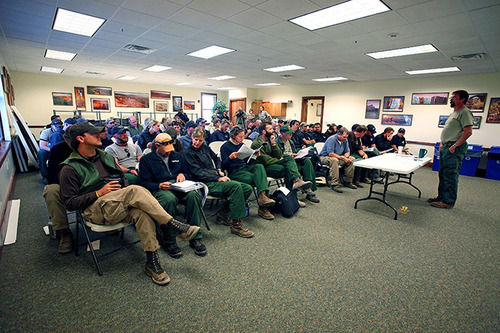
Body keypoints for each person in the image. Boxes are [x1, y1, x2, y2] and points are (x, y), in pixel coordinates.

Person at [59, 122, 200, 286]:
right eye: (93, 133)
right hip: (96, 209)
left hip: (118, 203)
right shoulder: (69, 168)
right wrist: (98, 193)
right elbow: (69, 203)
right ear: (80, 138)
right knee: (135, 189)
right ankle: (173, 224)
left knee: (142, 212)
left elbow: (122, 179)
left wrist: (122, 192)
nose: (100, 135)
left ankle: (152, 262)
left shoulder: (105, 156)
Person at [139, 133, 205, 257]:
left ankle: (195, 236)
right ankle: (169, 241)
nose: (169, 152)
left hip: (178, 186)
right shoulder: (146, 160)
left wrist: (183, 175)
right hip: (160, 187)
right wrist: (158, 186)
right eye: (166, 150)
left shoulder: (177, 156)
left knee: (193, 196)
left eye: (170, 149)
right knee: (169, 199)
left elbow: (187, 172)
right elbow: (144, 183)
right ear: (157, 146)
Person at [185, 127, 255, 238]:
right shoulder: (188, 152)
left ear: (204, 140)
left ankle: (223, 213)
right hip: (204, 183)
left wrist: (218, 170)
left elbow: (217, 159)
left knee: (247, 188)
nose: (197, 142)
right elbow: (197, 172)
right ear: (191, 137)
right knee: (236, 186)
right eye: (195, 139)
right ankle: (236, 225)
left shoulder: (205, 147)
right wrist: (217, 177)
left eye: (200, 140)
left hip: (215, 177)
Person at [428, 90, 473, 209]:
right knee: (443, 174)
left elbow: (468, 131)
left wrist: (455, 145)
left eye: (454, 97)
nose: (451, 99)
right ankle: (441, 197)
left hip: (454, 148)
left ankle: (448, 201)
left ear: (462, 99)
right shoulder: (454, 113)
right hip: (446, 146)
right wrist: (443, 142)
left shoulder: (464, 112)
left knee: (450, 175)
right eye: (451, 97)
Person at [220, 126, 276, 220]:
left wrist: (255, 156)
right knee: (259, 179)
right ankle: (263, 206)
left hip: (245, 168)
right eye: (240, 137)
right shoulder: (225, 147)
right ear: (233, 136)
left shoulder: (242, 145)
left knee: (259, 166)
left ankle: (262, 197)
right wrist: (230, 158)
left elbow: (248, 161)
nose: (243, 139)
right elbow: (223, 166)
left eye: (243, 136)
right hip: (235, 171)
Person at [251, 123, 312, 195]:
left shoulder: (270, 140)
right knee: (288, 169)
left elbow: (279, 155)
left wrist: (273, 144)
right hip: (265, 167)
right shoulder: (256, 143)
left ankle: (296, 183)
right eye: (270, 129)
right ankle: (293, 195)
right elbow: (265, 160)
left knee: (289, 160)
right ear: (264, 132)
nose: (273, 130)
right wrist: (279, 160)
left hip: (274, 163)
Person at [43, 135, 74, 254]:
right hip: (64, 184)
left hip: (86, 183)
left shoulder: (93, 149)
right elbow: (52, 176)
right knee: (51, 190)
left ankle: (102, 218)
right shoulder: (57, 149)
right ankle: (64, 231)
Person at [276, 125, 319, 203]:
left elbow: (293, 152)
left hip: (292, 160)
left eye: (291, 133)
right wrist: (288, 156)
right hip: (284, 162)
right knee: (289, 167)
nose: (291, 135)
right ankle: (294, 197)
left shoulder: (290, 141)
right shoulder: (277, 142)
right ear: (282, 133)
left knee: (307, 161)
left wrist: (296, 154)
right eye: (288, 133)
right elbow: (277, 156)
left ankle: (308, 188)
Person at [319, 127, 357, 193]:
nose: (345, 139)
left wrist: (346, 157)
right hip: (325, 157)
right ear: (339, 134)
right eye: (344, 137)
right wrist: (343, 158)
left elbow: (347, 151)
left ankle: (348, 181)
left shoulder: (344, 140)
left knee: (352, 159)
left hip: (338, 157)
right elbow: (331, 154)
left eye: (346, 137)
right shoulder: (332, 139)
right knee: (334, 160)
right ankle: (334, 184)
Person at [38, 118, 63, 183]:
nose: (58, 128)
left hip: (61, 150)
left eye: (60, 126)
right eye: (56, 126)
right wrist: (53, 150)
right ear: (52, 126)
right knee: (41, 153)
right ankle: (45, 175)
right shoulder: (46, 132)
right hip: (49, 150)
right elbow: (42, 146)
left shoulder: (63, 131)